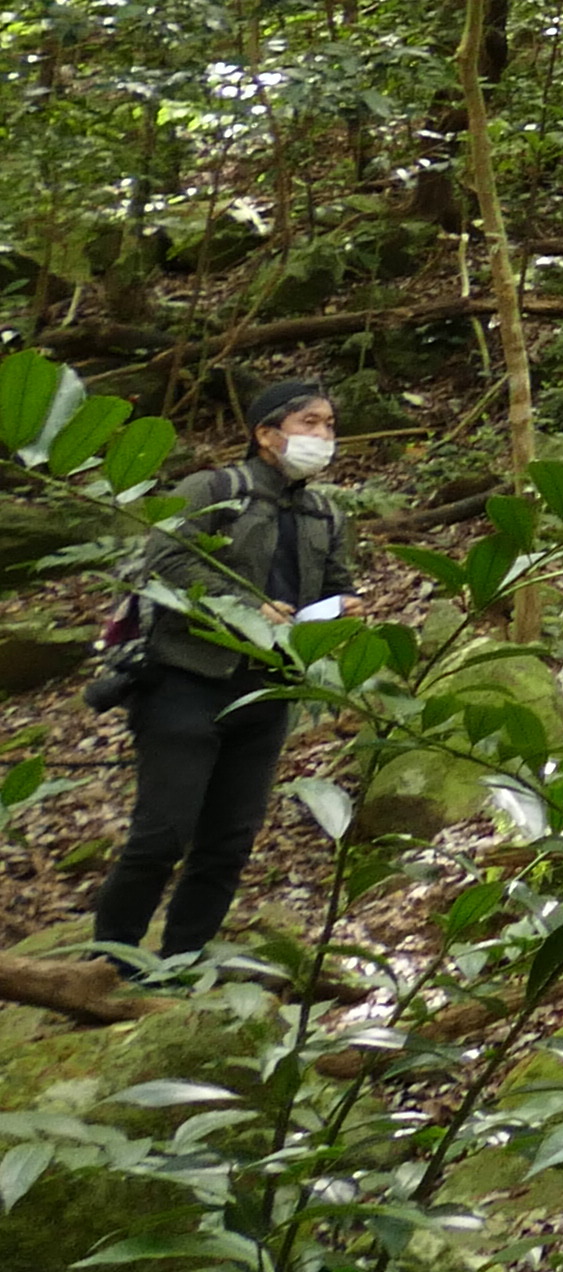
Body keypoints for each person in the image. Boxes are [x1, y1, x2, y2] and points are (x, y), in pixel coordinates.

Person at [96, 375, 351, 958]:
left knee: (228, 842)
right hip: (186, 681)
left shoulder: (325, 515)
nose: (323, 435)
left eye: (329, 426)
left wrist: (344, 609)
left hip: (267, 691)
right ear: (266, 434)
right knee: (161, 835)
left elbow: (336, 584)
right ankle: (111, 961)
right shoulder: (211, 489)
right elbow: (165, 561)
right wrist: (247, 609)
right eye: (309, 423)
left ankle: (181, 962)